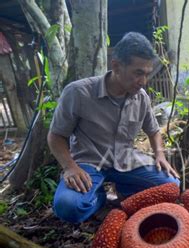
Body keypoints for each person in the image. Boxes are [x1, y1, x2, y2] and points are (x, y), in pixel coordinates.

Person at [48, 32, 179, 223]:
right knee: (68, 207)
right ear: (116, 66)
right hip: (88, 164)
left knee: (172, 186)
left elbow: (153, 130)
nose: (143, 81)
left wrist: (160, 155)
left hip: (127, 161)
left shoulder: (141, 97)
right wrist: (70, 167)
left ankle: (125, 191)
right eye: (138, 73)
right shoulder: (78, 92)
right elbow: (55, 136)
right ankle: (100, 198)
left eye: (147, 74)